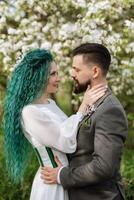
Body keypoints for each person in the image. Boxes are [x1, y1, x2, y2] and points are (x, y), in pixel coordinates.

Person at [4, 48, 106, 200]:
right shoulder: (29, 112)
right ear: (36, 77)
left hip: (64, 177)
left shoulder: (50, 104)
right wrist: (83, 106)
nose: (58, 78)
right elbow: (65, 142)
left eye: (57, 73)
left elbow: (72, 132)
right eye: (52, 74)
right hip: (51, 184)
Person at [41, 43, 128, 200]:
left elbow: (104, 167)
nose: (72, 74)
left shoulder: (110, 110)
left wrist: (62, 175)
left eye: (77, 69)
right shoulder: (93, 103)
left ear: (95, 71)